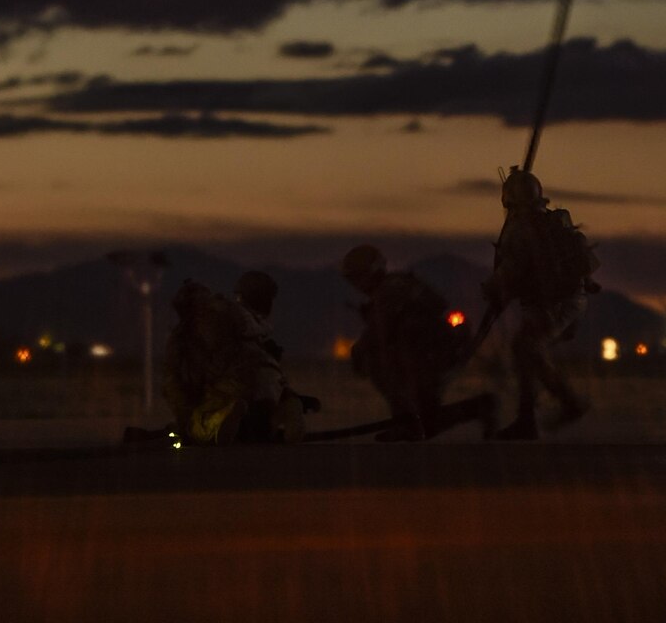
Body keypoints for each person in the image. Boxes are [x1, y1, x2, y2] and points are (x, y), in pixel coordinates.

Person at [483, 167, 597, 441]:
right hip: (565, 302)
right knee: (527, 352)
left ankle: (566, 404)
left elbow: (512, 270)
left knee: (527, 349)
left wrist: (493, 288)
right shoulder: (551, 222)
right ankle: (528, 419)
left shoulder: (522, 229)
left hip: (553, 304)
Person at [341, 245, 488, 440]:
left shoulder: (389, 291)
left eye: (355, 278)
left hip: (424, 360)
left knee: (376, 359)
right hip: (430, 357)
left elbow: (379, 333)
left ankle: (406, 421)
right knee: (428, 422)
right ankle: (476, 408)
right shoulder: (397, 286)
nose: (355, 285)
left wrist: (359, 352)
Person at [161, 279, 259, 445]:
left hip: (221, 396)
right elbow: (174, 383)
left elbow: (242, 371)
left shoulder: (227, 333)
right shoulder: (182, 341)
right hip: (206, 398)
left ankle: (212, 427)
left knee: (199, 427)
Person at [231, 270, 318, 443]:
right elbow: (262, 379)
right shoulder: (246, 325)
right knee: (293, 410)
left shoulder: (245, 328)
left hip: (245, 403)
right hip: (253, 404)